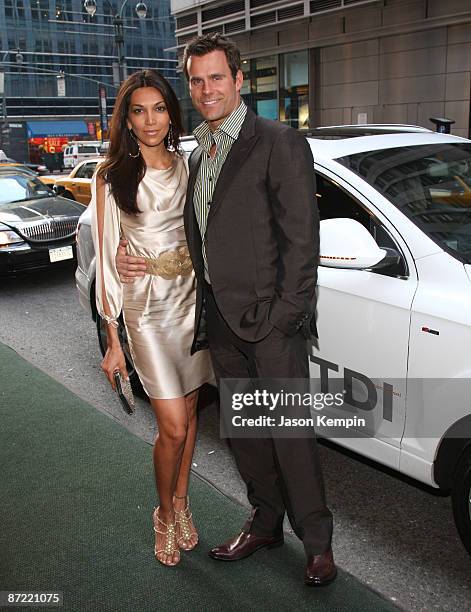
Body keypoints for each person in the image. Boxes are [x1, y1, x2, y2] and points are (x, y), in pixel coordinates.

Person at [116, 34, 336, 586]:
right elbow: (186, 234)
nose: (207, 89)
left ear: (239, 80)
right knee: (246, 434)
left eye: (217, 77)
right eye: (197, 80)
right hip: (215, 321)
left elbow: (300, 241)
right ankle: (265, 522)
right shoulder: (196, 152)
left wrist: (286, 316)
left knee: (290, 434)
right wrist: (130, 257)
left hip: (271, 325)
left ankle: (317, 543)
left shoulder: (278, 141)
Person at [90, 69, 213, 568]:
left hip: (191, 303)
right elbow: (105, 253)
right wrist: (111, 337)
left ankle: (183, 503)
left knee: (191, 414)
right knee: (174, 426)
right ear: (126, 117)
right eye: (138, 110)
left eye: (158, 108)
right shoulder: (111, 174)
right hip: (147, 310)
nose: (149, 120)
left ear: (171, 112)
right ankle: (163, 513)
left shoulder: (189, 166)